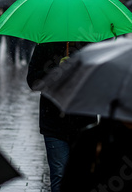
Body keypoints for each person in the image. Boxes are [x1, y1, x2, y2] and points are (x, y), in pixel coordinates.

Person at [27, 42, 98, 192]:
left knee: (82, 175)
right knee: (59, 175)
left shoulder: (91, 46)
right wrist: (56, 70)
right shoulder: (45, 45)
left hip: (84, 123)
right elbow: (33, 82)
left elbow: (99, 80)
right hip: (53, 122)